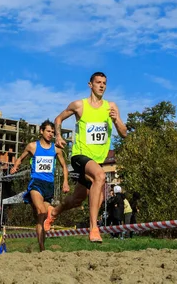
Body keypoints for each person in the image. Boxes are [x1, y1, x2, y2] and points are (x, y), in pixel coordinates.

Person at [44, 72, 127, 243]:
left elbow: (124, 133)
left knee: (77, 200)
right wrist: (58, 136)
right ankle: (94, 227)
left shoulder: (111, 106)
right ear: (90, 84)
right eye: (98, 82)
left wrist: (116, 119)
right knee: (100, 177)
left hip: (96, 161)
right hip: (80, 156)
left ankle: (53, 212)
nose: (102, 86)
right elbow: (58, 118)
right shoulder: (79, 105)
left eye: (104, 83)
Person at [10, 119, 70, 251]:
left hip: (49, 185)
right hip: (36, 183)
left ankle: (42, 248)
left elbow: (64, 166)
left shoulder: (56, 149)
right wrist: (15, 166)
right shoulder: (33, 146)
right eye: (48, 131)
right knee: (41, 211)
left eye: (53, 132)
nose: (50, 134)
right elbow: (20, 158)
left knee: (41, 219)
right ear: (41, 131)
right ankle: (42, 246)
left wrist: (65, 182)